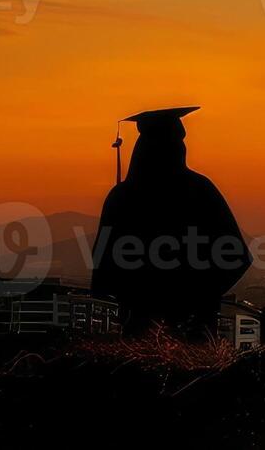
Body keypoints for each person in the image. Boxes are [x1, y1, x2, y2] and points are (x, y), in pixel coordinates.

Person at [92, 106, 249, 340]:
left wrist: (137, 294)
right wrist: (199, 294)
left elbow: (103, 269)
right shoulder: (200, 190)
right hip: (192, 326)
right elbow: (236, 257)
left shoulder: (122, 197)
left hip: (141, 326)